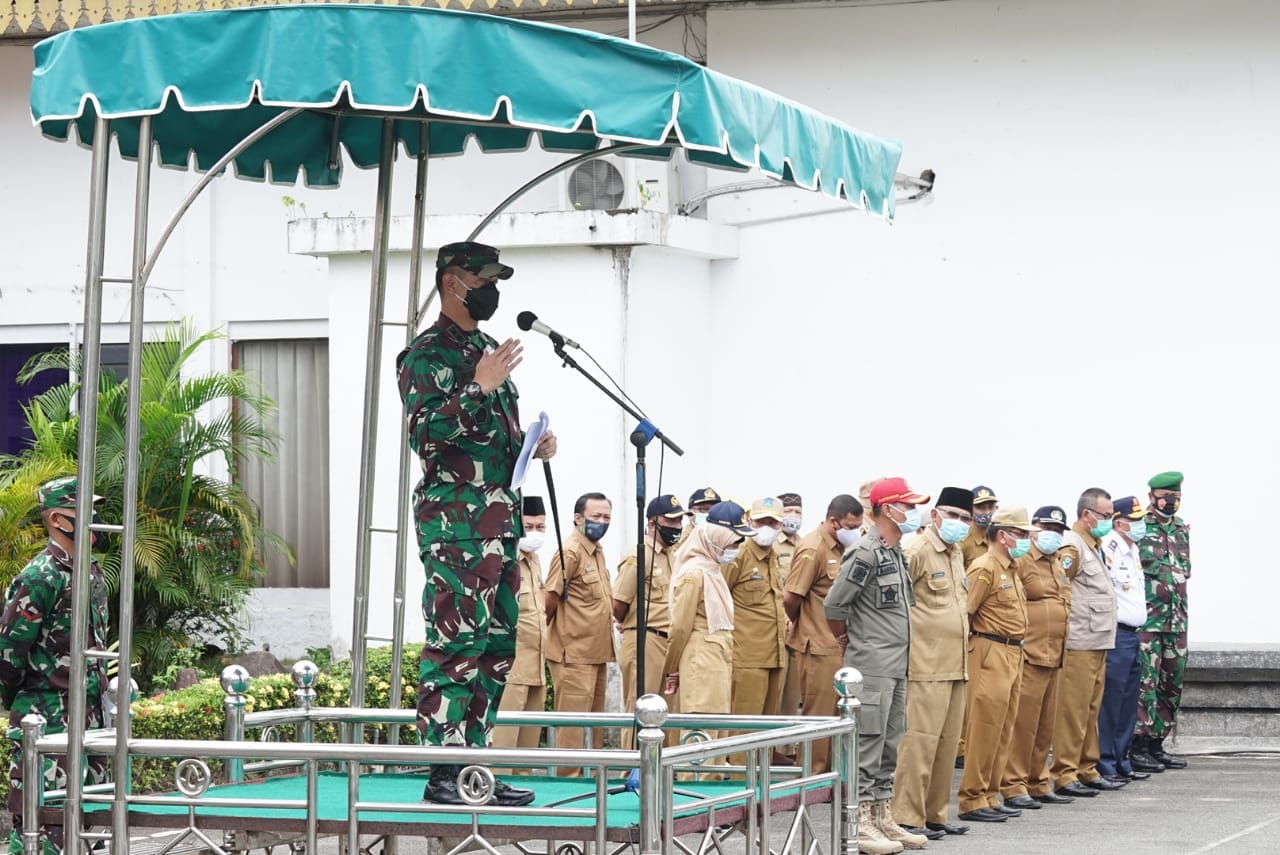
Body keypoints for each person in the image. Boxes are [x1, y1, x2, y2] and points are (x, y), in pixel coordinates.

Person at [396, 240, 555, 806]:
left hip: (500, 521)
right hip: (456, 525)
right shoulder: (425, 355)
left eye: (494, 282)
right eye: (482, 280)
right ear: (452, 282)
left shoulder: (489, 349)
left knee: (496, 647)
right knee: (455, 643)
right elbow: (426, 437)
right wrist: (478, 386)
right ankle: (444, 770)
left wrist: (533, 444)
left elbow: (489, 436)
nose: (491, 291)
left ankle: (474, 768)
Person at [0, 477, 109, 855]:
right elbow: (8, 652)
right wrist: (24, 701)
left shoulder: (91, 572)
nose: (93, 519)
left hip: (91, 721)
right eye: (83, 511)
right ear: (58, 520)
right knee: (42, 827)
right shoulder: (40, 576)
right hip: (46, 720)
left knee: (89, 826)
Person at [826, 478, 932, 854]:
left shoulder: (894, 552)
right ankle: (859, 824)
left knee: (889, 742)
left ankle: (882, 814)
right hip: (871, 664)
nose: (913, 512)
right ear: (888, 508)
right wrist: (846, 640)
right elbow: (834, 605)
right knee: (867, 744)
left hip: (896, 663)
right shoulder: (866, 552)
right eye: (908, 505)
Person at [894, 487, 974, 840]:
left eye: (966, 518)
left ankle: (934, 814)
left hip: (956, 663)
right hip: (925, 662)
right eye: (953, 515)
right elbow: (895, 604)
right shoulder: (916, 550)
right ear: (936, 515)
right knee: (919, 742)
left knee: (947, 743)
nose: (959, 523)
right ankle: (906, 815)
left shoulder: (956, 553)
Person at [956, 506, 1033, 824]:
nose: (1026, 539)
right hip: (989, 650)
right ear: (1003, 535)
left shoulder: (1010, 567)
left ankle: (989, 793)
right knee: (984, 727)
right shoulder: (984, 567)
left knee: (1003, 728)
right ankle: (972, 798)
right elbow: (965, 613)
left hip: (1013, 652)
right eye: (1022, 534)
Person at [999, 506, 1076, 808]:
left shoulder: (1057, 562)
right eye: (1047, 529)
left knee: (1045, 726)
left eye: (1058, 531)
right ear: (1033, 529)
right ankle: (1013, 783)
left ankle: (1038, 780)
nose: (1053, 535)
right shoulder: (1022, 560)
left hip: (1054, 653)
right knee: (1023, 725)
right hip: (1030, 652)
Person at [663, 501, 753, 753]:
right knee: (699, 744)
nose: (736, 549)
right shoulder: (694, 573)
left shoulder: (713, 569)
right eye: (733, 542)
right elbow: (679, 629)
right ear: (718, 538)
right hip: (700, 668)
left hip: (715, 667)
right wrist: (671, 669)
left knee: (716, 742)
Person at [1052, 488, 1125, 797]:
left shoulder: (1093, 546)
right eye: (1106, 516)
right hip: (1080, 640)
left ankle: (1087, 768)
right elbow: (1059, 587)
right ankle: (1065, 772)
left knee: (1090, 710)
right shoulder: (1072, 546)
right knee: (1073, 710)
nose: (1109, 521)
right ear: (1087, 514)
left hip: (1098, 640)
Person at [784, 494, 863, 775]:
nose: (855, 532)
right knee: (819, 716)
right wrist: (802, 623)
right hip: (817, 645)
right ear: (833, 521)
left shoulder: (842, 547)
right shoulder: (813, 548)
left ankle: (830, 776)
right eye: (851, 526)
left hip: (837, 645)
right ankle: (812, 777)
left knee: (837, 714)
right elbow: (791, 597)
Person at [545, 492, 615, 776]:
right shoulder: (571, 552)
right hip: (573, 654)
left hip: (596, 653)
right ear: (578, 518)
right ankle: (568, 781)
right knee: (572, 727)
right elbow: (550, 598)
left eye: (607, 517)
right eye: (596, 516)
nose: (602, 522)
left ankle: (593, 779)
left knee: (594, 725)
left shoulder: (596, 550)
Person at [613, 494, 684, 746]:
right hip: (646, 639)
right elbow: (618, 603)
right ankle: (633, 764)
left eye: (679, 522)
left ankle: (660, 765)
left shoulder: (672, 556)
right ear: (652, 524)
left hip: (668, 641)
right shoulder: (638, 556)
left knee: (665, 710)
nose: (676, 527)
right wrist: (634, 625)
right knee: (642, 709)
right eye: (671, 521)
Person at [1132, 471, 1191, 771]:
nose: (1171, 502)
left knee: (1172, 685)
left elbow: (1183, 574)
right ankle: (1138, 745)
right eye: (1166, 497)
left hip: (1177, 622)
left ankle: (1157, 744)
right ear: (1152, 497)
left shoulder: (1181, 529)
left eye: (1176, 497)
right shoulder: (1139, 527)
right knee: (1146, 685)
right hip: (1148, 623)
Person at [492, 496, 550, 769]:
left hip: (536, 667)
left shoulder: (534, 560)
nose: (535, 533)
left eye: (541, 527)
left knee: (528, 752)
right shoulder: (503, 560)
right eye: (529, 526)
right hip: (511, 668)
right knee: (504, 746)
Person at [1097, 497, 1152, 782]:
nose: (1142, 525)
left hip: (1133, 634)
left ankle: (1121, 758)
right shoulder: (1109, 547)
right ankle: (1105, 760)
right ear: (1120, 523)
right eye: (1136, 520)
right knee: (1112, 702)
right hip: (1116, 633)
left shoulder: (1133, 550)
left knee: (1129, 701)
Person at [725, 498, 788, 720]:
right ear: (749, 521)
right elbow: (717, 599)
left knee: (768, 727)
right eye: (761, 522)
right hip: (747, 658)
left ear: (781, 526)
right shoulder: (739, 555)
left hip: (776, 654)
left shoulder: (774, 556)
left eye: (772, 522)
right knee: (744, 725)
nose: (766, 528)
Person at [956, 483, 999, 771]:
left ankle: (972, 743)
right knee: (966, 689)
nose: (987, 512)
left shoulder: (994, 541)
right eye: (981, 507)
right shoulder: (964, 542)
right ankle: (960, 746)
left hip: (989, 623)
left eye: (990, 506)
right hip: (969, 622)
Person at [775, 492, 805, 577]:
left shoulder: (804, 543)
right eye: (788, 511)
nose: (793, 515)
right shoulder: (771, 544)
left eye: (798, 512)